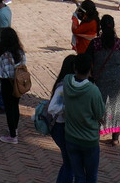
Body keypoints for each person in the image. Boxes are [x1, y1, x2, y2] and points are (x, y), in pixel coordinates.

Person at [86, 14, 120, 145]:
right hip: (118, 80)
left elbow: (87, 60)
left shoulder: (95, 43)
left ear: (101, 27)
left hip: (101, 80)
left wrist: (91, 76)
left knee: (99, 107)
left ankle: (97, 134)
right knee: (117, 106)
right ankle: (115, 138)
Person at [62, 52, 104, 183]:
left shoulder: (67, 81)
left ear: (75, 68)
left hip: (71, 137)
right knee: (91, 177)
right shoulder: (93, 91)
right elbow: (100, 114)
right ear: (90, 68)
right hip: (89, 140)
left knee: (79, 176)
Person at [45, 55, 77, 183]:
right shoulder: (62, 87)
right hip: (60, 128)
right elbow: (52, 108)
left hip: (64, 128)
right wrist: (68, 108)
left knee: (68, 162)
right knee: (70, 163)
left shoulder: (69, 84)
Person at [0, 26, 26, 143]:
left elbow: (0, 72)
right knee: (15, 107)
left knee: (9, 108)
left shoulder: (4, 56)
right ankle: (15, 129)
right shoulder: (21, 53)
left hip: (7, 84)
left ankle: (12, 136)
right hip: (18, 83)